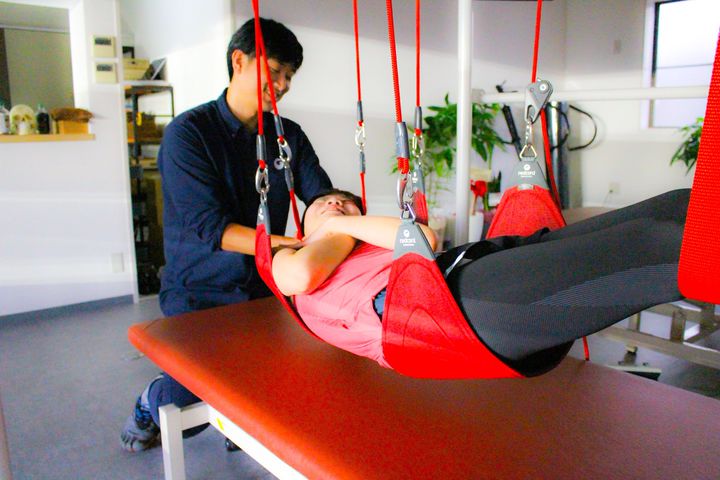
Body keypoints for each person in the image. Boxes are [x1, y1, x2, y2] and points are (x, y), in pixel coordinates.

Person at [121, 18, 332, 452]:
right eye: (275, 71)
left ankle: (240, 418)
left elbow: (320, 195)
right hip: (199, 292)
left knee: (281, 378)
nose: (283, 85)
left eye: (290, 76)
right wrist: (289, 245)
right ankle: (150, 401)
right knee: (190, 403)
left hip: (265, 288)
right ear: (239, 61)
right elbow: (210, 228)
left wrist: (341, 218)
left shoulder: (288, 136)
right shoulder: (188, 135)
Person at [273, 188, 690, 374]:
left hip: (465, 266)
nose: (335, 203)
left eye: (346, 202)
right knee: (648, 245)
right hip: (436, 317)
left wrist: (342, 223)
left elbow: (422, 238)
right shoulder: (289, 257)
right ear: (300, 227)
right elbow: (301, 276)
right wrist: (332, 229)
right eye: (323, 202)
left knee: (674, 206)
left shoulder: (363, 240)